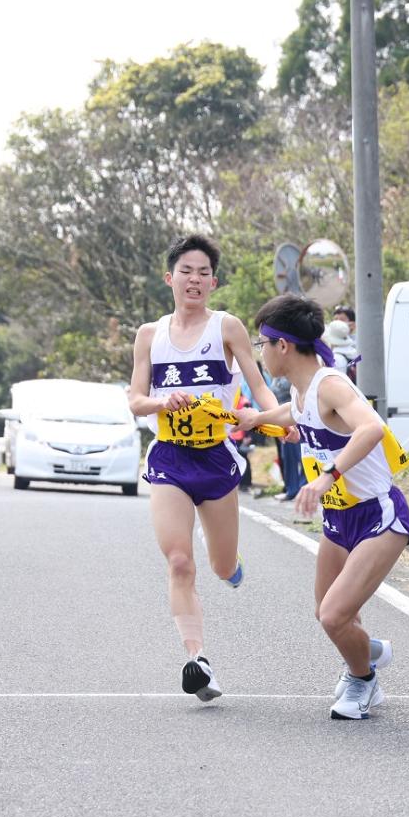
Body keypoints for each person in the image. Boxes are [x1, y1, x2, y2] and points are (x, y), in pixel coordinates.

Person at [126, 234, 281, 702]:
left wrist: (281, 421)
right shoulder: (149, 336)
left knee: (219, 564)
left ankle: (232, 565)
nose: (194, 280)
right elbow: (135, 401)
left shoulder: (227, 328)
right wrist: (161, 401)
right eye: (185, 271)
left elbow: (259, 387)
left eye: (203, 273)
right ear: (169, 278)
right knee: (178, 561)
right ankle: (197, 661)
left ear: (213, 281)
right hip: (170, 456)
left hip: (215, 457)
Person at [244, 293, 409, 720]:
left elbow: (371, 428)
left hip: (378, 516)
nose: (259, 350)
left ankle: (364, 680)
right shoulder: (302, 391)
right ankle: (367, 650)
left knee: (335, 616)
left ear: (283, 346)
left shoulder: (330, 384)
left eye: (262, 342)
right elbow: (297, 414)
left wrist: (326, 476)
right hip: (339, 519)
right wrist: (253, 420)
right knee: (328, 612)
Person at [270, 374, 304, 502]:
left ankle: (301, 489)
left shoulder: (293, 370)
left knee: (301, 456)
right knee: (287, 456)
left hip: (295, 419)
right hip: (281, 421)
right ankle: (292, 489)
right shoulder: (276, 375)